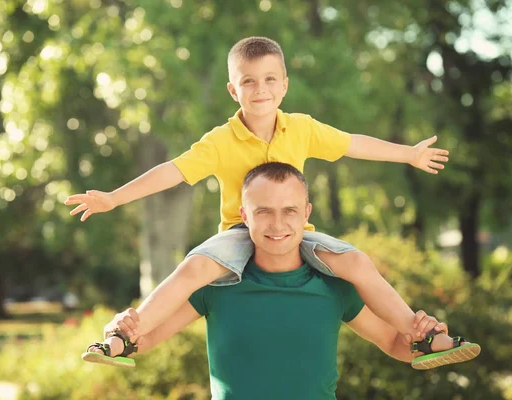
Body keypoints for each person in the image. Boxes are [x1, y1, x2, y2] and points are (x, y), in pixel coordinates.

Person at [68, 36, 473, 369]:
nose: (260, 89)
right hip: (239, 234)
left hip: (296, 232)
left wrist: (409, 154)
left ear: (284, 84)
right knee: (193, 266)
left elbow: (353, 144)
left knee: (356, 263)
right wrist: (114, 198)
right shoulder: (219, 141)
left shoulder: (302, 128)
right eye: (248, 81)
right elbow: (172, 171)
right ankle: (124, 336)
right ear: (233, 89)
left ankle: (421, 336)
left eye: (269, 79)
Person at [83, 164, 480, 400]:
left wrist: (423, 336)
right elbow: (147, 338)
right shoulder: (213, 287)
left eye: (290, 211)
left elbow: (395, 343)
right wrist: (123, 329)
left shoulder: (335, 288)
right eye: (264, 212)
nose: (277, 225)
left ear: (306, 212)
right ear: (244, 214)